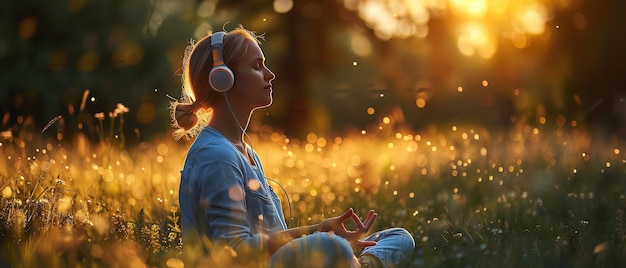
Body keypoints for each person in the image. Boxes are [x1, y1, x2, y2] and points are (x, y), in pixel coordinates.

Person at [170, 25, 415, 267]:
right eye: (257, 66)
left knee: (399, 238)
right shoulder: (216, 155)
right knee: (332, 246)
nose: (270, 74)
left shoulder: (245, 151)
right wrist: (317, 234)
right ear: (223, 78)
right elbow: (236, 252)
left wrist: (319, 232)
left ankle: (358, 263)